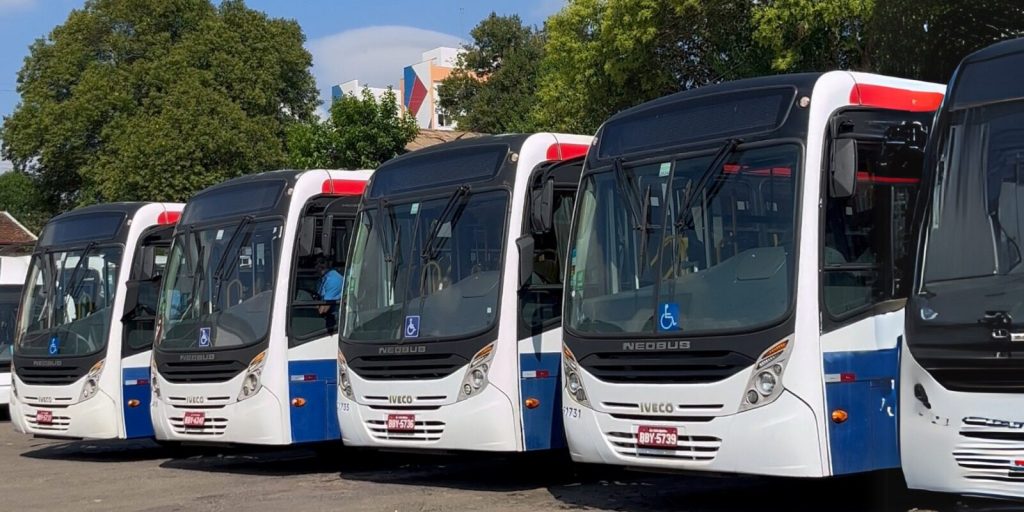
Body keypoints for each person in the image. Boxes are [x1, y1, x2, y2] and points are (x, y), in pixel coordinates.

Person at [316, 257, 344, 332]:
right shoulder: (322, 279)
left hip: (336, 320)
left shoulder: (333, 279)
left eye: (320, 263)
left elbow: (323, 310)